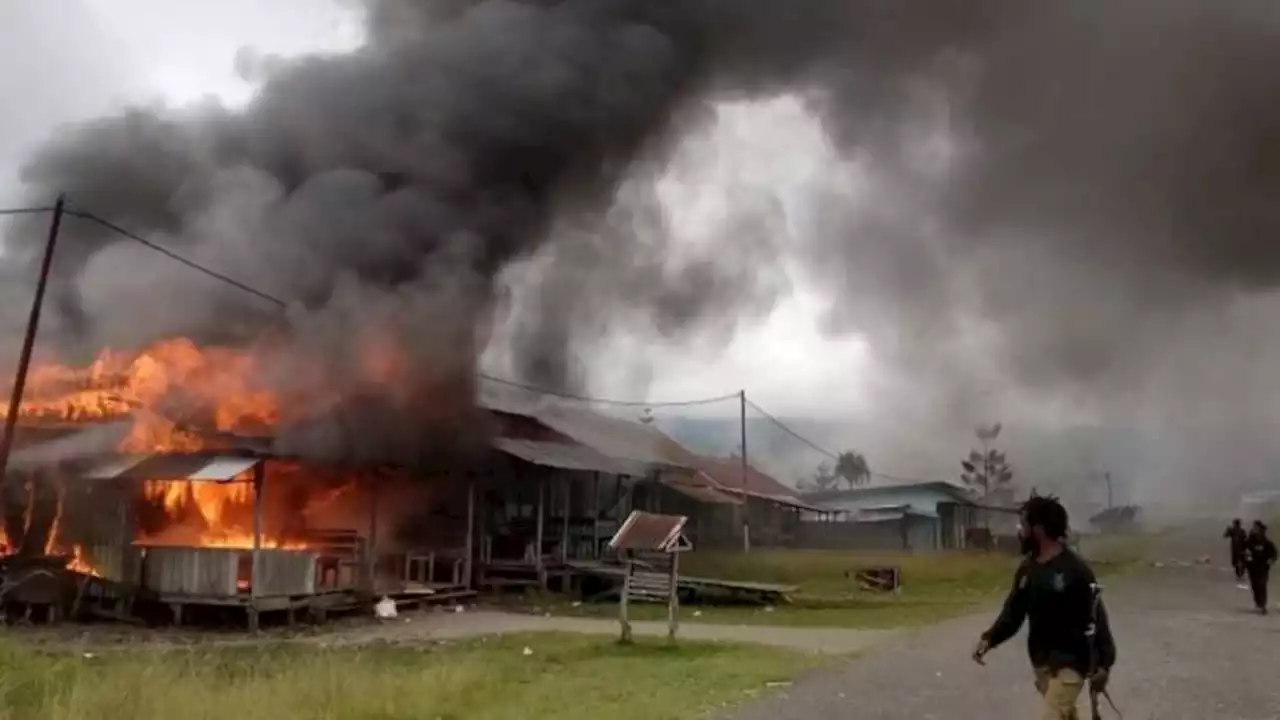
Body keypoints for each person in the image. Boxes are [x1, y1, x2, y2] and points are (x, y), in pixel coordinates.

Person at [972, 494, 1116, 719]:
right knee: (1063, 714)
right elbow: (1014, 612)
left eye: (1024, 525)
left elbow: (1096, 615)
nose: (1020, 531)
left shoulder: (1076, 571)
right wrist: (989, 639)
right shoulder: (1027, 570)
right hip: (1042, 661)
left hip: (1073, 662)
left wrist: (1105, 663)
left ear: (1038, 530)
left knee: (1052, 714)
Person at [1243, 520, 1277, 615]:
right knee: (1255, 586)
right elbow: (1242, 552)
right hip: (1252, 567)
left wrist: (1271, 560)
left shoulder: (1267, 543)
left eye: (1256, 528)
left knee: (1262, 585)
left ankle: (1262, 605)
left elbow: (1274, 554)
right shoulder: (1249, 542)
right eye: (1254, 528)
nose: (1254, 529)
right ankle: (1258, 602)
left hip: (1263, 567)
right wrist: (1246, 558)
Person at [1225, 518, 1249, 586]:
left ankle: (1239, 576)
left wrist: (1227, 530)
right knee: (1240, 563)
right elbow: (1246, 541)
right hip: (1240, 550)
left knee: (1236, 563)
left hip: (1236, 550)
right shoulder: (1241, 531)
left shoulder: (1233, 531)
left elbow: (1225, 536)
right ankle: (1240, 576)